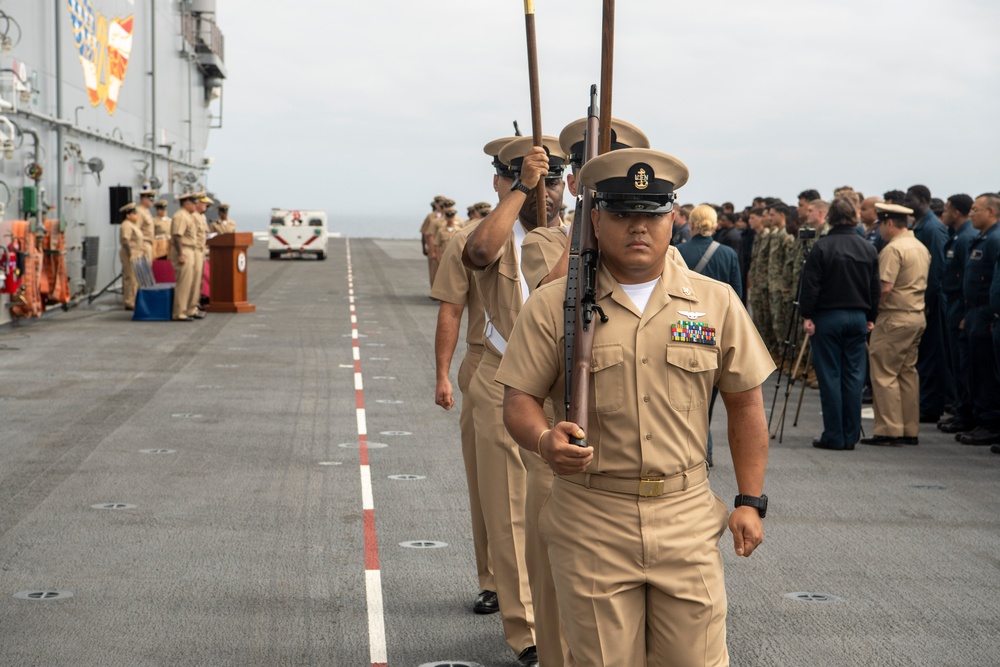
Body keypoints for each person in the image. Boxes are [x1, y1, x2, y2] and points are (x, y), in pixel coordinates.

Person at [495, 148, 774, 666]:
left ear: (674, 217)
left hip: (686, 516)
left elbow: (745, 404)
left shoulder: (715, 302)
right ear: (596, 219)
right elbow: (519, 399)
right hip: (592, 517)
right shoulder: (556, 304)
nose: (638, 227)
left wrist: (750, 500)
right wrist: (542, 439)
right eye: (623, 214)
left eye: (651, 213)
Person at [461, 135, 570, 667]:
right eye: (539, 180)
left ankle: (562, 618)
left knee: (559, 507)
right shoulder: (494, 232)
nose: (550, 191)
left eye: (556, 180)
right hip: (503, 378)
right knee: (507, 509)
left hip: (564, 387)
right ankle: (526, 632)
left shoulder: (577, 234)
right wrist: (522, 190)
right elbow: (478, 253)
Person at [429, 138, 514, 618]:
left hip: (558, 374)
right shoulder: (472, 238)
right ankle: (494, 580)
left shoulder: (572, 237)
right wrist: (442, 374)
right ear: (499, 181)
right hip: (490, 365)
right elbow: (451, 308)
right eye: (517, 178)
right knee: (490, 484)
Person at [799, 197, 880, 450]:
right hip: (857, 316)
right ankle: (850, 433)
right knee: (854, 377)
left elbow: (810, 286)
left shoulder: (822, 247)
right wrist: (871, 317)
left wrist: (807, 314)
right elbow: (874, 288)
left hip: (828, 317)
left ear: (830, 217)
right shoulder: (867, 248)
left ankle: (834, 435)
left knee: (830, 375)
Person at [678, 204, 744, 468]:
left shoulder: (678, 252)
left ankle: (694, 450)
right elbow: (737, 296)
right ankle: (706, 449)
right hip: (717, 329)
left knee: (688, 396)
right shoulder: (728, 254)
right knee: (711, 395)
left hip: (684, 327)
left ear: (692, 224)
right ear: (714, 225)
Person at [861, 203, 931, 446]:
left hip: (894, 317)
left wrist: (872, 310)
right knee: (907, 373)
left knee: (884, 373)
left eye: (881, 224)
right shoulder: (919, 246)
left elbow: (885, 287)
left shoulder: (894, 249)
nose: (880, 229)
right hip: (916, 315)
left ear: (889, 223)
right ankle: (909, 428)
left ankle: (889, 429)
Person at [954, 193, 1000, 446]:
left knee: (984, 370)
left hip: (985, 312)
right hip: (973, 311)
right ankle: (980, 418)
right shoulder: (982, 238)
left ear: (991, 212)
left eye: (976, 209)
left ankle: (990, 422)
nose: (970, 214)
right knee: (972, 368)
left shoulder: (995, 240)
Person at [904, 185, 950, 423]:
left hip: (928, 300)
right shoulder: (918, 226)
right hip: (919, 301)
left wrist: (927, 301)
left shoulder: (932, 229)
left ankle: (931, 405)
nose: (906, 201)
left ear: (922, 200)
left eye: (909, 199)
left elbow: (936, 271)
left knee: (932, 354)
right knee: (922, 355)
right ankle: (925, 402)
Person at [938, 194, 977, 434]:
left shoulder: (966, 238)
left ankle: (967, 415)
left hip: (962, 306)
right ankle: (962, 412)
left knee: (965, 366)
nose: (943, 213)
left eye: (947, 209)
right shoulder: (956, 236)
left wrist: (964, 311)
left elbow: (968, 280)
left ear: (956, 212)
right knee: (956, 362)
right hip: (952, 304)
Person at [170, 193, 200, 322]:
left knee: (190, 283)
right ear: (186, 203)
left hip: (190, 250)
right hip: (184, 250)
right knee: (183, 283)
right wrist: (181, 254)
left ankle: (188, 309)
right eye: (193, 202)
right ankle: (179, 313)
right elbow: (177, 236)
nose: (195, 205)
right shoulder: (181, 216)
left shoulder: (188, 216)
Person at [118, 203, 144, 310]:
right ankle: (129, 301)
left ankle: (134, 299)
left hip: (136, 254)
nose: (136, 215)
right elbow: (125, 240)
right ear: (127, 215)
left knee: (136, 279)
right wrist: (130, 254)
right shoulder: (126, 225)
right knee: (130, 278)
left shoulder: (133, 225)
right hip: (130, 254)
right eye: (133, 213)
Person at [136, 187, 156, 261]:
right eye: (151, 198)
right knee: (143, 271)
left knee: (147, 271)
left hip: (148, 244)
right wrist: (139, 249)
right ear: (143, 199)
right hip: (142, 245)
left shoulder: (146, 211)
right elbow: (135, 230)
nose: (152, 201)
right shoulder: (139, 211)